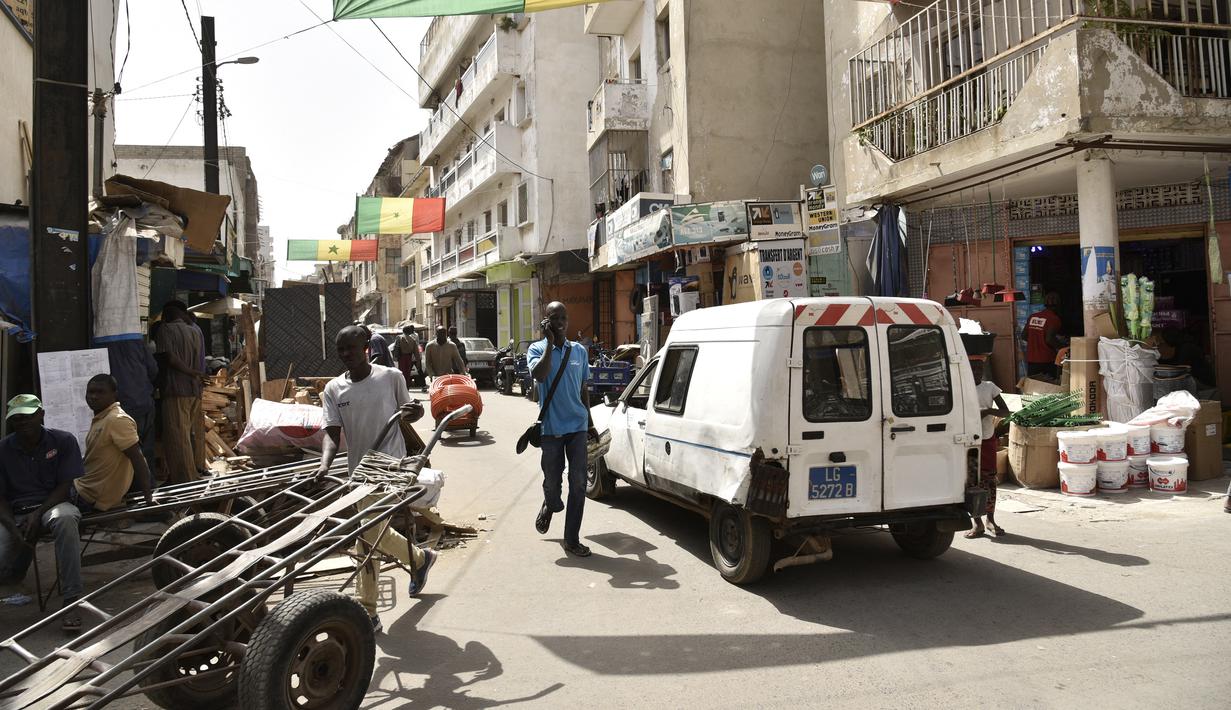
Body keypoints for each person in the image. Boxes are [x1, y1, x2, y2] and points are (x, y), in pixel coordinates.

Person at [317, 325, 438, 632]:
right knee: (367, 536)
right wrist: (324, 465)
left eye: (351, 349)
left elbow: (412, 412)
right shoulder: (333, 389)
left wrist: (414, 412)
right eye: (341, 350)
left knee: (368, 533)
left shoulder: (390, 377)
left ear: (366, 348)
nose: (346, 355)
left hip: (391, 467)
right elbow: (332, 433)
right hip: (359, 471)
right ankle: (420, 560)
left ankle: (367, 610)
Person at [0, 395, 86, 631]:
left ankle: (72, 600)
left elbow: (65, 485)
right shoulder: (4, 449)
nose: (22, 422)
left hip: (52, 505)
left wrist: (38, 513)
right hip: (17, 514)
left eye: (28, 416)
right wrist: (11, 528)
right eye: (17, 418)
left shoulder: (63, 440)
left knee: (66, 519)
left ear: (41, 415)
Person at [528, 302, 599, 558]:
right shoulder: (536, 349)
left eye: (563, 318)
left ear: (568, 321)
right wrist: (548, 343)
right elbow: (540, 375)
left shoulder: (579, 351)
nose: (559, 322)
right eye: (554, 318)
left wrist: (590, 424)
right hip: (551, 429)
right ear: (546, 321)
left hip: (577, 427)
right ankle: (550, 503)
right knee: (552, 484)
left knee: (578, 483)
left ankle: (572, 539)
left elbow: (583, 390)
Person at [77, 375, 154, 512]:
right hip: (84, 487)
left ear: (114, 395)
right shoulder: (102, 418)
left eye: (100, 392)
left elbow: (138, 459)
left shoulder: (117, 420)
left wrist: (149, 499)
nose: (94, 396)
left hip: (90, 496)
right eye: (91, 392)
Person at [155, 301, 204, 484]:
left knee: (178, 435)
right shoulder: (194, 331)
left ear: (167, 315)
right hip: (194, 389)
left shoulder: (165, 330)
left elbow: (169, 357)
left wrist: (190, 372)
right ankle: (195, 470)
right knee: (190, 433)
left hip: (177, 389)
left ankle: (184, 479)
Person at [966, 356, 1010, 539]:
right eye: (973, 368)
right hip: (968, 439)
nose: (976, 372)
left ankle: (990, 519)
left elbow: (1006, 412)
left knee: (989, 479)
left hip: (987, 437)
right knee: (972, 480)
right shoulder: (962, 387)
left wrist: (989, 411)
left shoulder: (990, 387)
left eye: (979, 369)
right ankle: (977, 522)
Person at [104, 340, 159, 476]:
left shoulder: (103, 345)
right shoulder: (138, 343)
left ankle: (140, 486)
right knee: (145, 449)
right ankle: (148, 485)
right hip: (143, 401)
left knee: (129, 453)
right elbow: (153, 370)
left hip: (124, 407)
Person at [179, 310, 209, 477]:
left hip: (186, 386)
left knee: (183, 430)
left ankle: (189, 470)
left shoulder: (189, 331)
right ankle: (198, 465)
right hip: (195, 386)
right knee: (194, 429)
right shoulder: (196, 331)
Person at [1024, 292, 1064, 379]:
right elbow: (1049, 339)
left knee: (1032, 387)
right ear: (1058, 305)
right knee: (1049, 388)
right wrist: (1063, 347)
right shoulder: (1054, 319)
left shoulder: (1032, 317)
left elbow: (1024, 336)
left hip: (1032, 359)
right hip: (1047, 360)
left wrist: (1035, 341)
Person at [393, 326, 425, 392]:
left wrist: (395, 357)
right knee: (407, 374)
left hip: (402, 358)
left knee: (402, 373)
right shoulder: (412, 340)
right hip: (409, 357)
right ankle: (406, 388)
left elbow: (396, 348)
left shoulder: (399, 337)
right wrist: (418, 362)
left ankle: (402, 389)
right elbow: (416, 352)